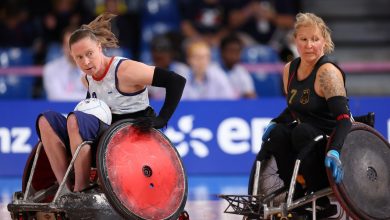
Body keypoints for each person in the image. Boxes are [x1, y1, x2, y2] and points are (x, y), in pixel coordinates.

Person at [35, 13, 186, 193]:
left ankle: (81, 189)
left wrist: (162, 119)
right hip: (104, 135)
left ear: (99, 47)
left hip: (128, 133)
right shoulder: (87, 79)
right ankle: (65, 189)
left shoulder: (125, 70)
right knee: (45, 121)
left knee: (74, 120)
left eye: (89, 54)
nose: (86, 62)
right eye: (79, 57)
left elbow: (176, 81)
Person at [256, 13, 351, 217]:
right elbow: (295, 108)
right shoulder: (289, 69)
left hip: (329, 141)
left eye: (315, 39)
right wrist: (276, 122)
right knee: (280, 134)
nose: (309, 45)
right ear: (295, 41)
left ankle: (321, 200)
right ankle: (297, 192)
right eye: (304, 39)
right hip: (305, 137)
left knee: (302, 132)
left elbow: (344, 119)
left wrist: (335, 150)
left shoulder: (327, 73)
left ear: (324, 42)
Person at [43, 26, 87, 101]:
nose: (72, 50)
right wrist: (85, 97)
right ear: (62, 46)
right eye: (68, 45)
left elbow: (96, 97)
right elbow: (56, 97)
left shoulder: (92, 68)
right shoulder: (50, 69)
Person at [148, 34, 190, 100]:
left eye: (163, 57)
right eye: (157, 58)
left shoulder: (181, 69)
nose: (160, 61)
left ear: (171, 54)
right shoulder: (147, 70)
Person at [218, 33, 256, 99]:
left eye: (237, 52)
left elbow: (251, 95)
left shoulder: (241, 71)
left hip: (236, 107)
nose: (234, 56)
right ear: (222, 52)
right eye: (231, 51)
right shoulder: (213, 71)